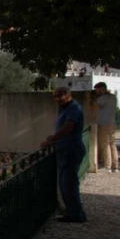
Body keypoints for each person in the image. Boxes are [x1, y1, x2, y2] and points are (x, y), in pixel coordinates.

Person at [42, 87, 87, 223]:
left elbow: (68, 127)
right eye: (55, 96)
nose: (57, 99)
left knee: (69, 183)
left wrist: (52, 139)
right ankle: (71, 211)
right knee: (64, 183)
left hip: (70, 149)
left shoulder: (73, 108)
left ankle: (76, 214)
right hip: (64, 149)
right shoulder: (65, 109)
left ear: (68, 95)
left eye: (60, 96)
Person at [93, 82, 118, 172]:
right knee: (112, 145)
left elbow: (93, 106)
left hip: (104, 124)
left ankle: (107, 166)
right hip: (112, 123)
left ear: (101, 89)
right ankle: (115, 166)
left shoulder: (103, 98)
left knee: (105, 145)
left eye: (97, 90)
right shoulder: (113, 97)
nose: (96, 92)